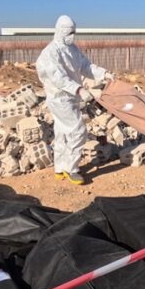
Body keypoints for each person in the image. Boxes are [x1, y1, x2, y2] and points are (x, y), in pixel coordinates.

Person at [36, 15, 114, 185]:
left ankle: (60, 167)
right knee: (78, 131)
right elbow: (58, 77)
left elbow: (85, 66)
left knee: (63, 132)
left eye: (73, 32)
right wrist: (79, 89)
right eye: (69, 32)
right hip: (59, 98)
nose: (72, 35)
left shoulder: (72, 48)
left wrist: (103, 74)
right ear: (60, 31)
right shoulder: (50, 53)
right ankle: (72, 169)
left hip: (69, 98)